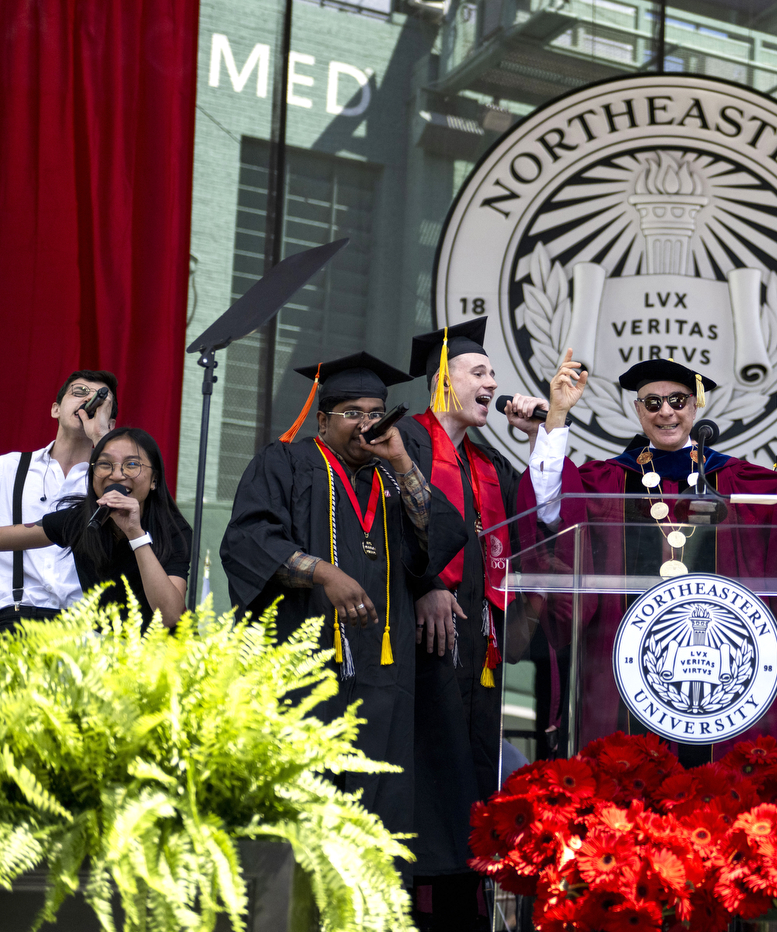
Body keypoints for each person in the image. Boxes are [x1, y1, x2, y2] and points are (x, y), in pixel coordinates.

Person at [520, 352, 777, 757]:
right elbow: (550, 509)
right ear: (638, 411)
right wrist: (557, 417)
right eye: (652, 403)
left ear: (695, 406)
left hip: (725, 667)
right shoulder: (609, 479)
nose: (666, 413)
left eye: (677, 401)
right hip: (626, 666)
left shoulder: (733, 478)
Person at [220, 352, 430, 841]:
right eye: (352, 413)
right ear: (322, 420)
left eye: (376, 413)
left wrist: (401, 459)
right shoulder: (287, 462)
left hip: (382, 677)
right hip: (306, 672)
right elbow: (248, 540)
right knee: (300, 812)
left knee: (377, 814)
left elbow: (434, 540)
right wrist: (320, 573)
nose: (366, 424)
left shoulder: (393, 478)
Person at [396, 320, 547, 924]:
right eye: (478, 373)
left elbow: (534, 521)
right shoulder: (404, 439)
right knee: (427, 776)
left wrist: (539, 441)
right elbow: (388, 522)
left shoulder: (485, 461)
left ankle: (462, 907)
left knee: (470, 775)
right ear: (442, 380)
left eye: (493, 374)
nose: (493, 383)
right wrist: (430, 582)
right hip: (420, 645)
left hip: (475, 648)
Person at [0, 427, 190, 626]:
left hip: (160, 650)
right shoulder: (81, 519)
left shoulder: (173, 530)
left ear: (154, 480)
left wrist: (135, 533)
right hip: (104, 649)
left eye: (132, 464)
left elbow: (170, 616)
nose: (116, 475)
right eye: (105, 464)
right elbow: (11, 536)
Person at [0, 370, 117, 627]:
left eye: (100, 400)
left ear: (110, 425)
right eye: (78, 393)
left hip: (85, 626)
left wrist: (101, 438)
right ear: (55, 409)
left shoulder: (113, 482)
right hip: (14, 615)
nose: (88, 402)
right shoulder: (7, 468)